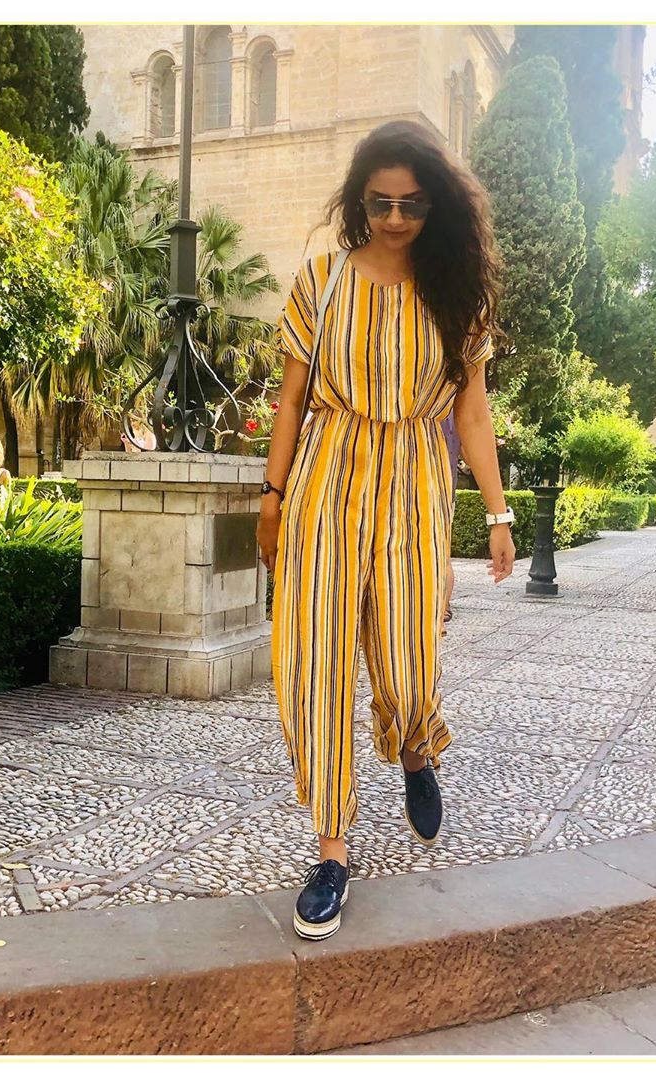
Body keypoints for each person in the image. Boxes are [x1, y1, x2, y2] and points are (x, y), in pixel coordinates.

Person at [257, 120, 514, 941]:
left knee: (407, 659)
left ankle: (413, 746)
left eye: (412, 204)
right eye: (380, 203)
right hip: (326, 479)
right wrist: (271, 497)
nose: (396, 218)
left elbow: (472, 416)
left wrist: (498, 514)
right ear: (358, 200)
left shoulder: (456, 296)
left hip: (412, 483)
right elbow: (291, 400)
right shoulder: (322, 281)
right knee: (316, 664)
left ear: (436, 206)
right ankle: (332, 851)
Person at [439, 411, 461, 638]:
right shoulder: (456, 413)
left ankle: (438, 617)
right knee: (442, 556)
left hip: (423, 484)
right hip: (447, 490)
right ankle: (441, 614)